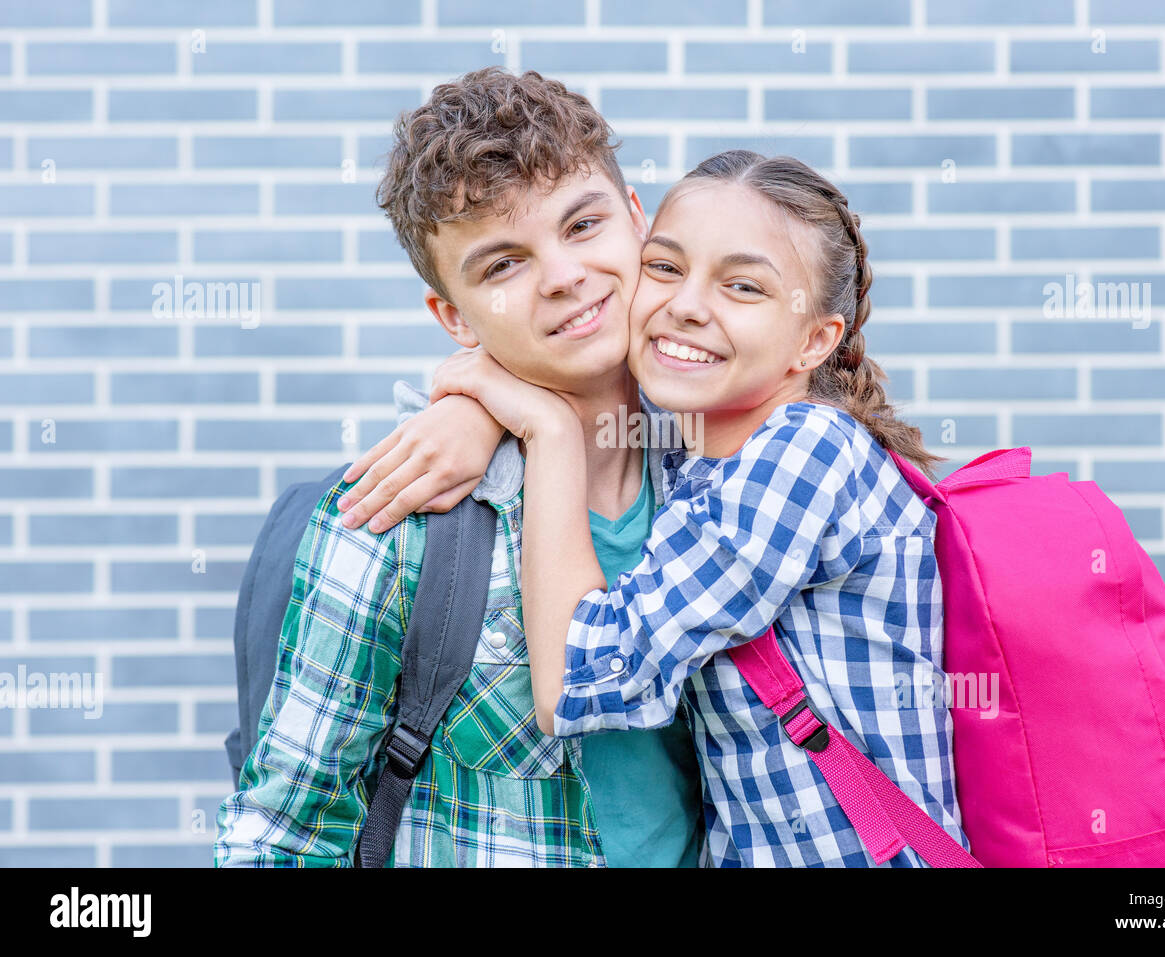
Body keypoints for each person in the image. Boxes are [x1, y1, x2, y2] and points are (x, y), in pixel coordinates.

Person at [353, 150, 972, 866]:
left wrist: (544, 428)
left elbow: (582, 680)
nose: (686, 305)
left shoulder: (805, 453)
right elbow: (576, 371)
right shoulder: (689, 449)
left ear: (814, 340)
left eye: (742, 286)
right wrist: (472, 409)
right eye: (667, 268)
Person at [213, 67, 704, 867]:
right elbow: (284, 835)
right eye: (502, 264)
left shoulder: (718, 473)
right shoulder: (398, 522)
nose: (563, 276)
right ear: (452, 316)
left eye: (583, 226)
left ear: (638, 220)